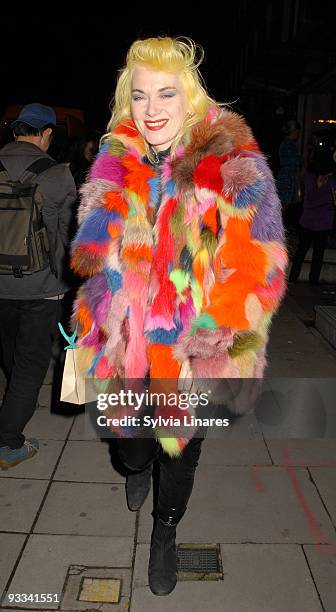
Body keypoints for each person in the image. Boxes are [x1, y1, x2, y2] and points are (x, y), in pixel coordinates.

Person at [70, 37, 287, 596]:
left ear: (189, 96)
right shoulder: (117, 159)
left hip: (191, 352)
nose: (152, 107)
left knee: (182, 453)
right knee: (132, 446)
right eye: (139, 95)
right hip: (125, 346)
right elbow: (91, 261)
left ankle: (165, 531)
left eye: (166, 92)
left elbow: (259, 269)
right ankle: (135, 467)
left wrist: (209, 349)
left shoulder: (231, 161)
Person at [0, 103, 77, 468]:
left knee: (11, 352)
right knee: (31, 362)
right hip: (41, 286)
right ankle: (9, 441)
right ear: (46, 134)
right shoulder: (56, 174)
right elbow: (68, 235)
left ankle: (17, 396)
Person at [288, 148, 336, 285]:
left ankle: (293, 277)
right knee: (318, 253)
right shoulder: (332, 181)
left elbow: (308, 195)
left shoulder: (308, 177)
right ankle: (313, 281)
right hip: (324, 221)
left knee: (301, 250)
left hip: (308, 219)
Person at [277, 119, 302, 229]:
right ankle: (279, 228)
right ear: (294, 131)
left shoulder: (290, 143)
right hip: (286, 177)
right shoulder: (287, 144)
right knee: (283, 205)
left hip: (289, 176)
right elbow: (285, 160)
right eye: (297, 131)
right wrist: (299, 160)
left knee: (285, 205)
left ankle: (281, 227)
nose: (298, 134)